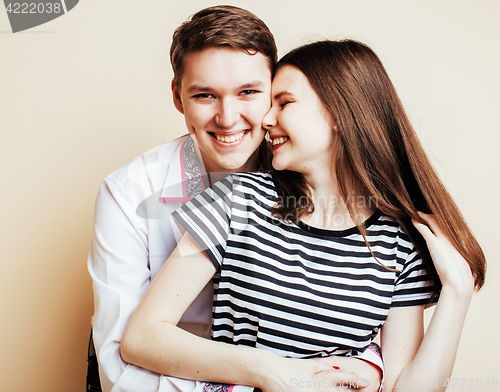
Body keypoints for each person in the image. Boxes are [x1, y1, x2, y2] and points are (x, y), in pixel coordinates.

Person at [120, 39, 486, 392]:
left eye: (284, 103)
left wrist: (458, 294)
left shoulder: (397, 243)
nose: (266, 119)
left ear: (340, 113)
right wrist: (281, 374)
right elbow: (142, 337)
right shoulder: (236, 200)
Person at [87, 6, 382, 392]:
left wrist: (369, 366)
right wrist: (258, 376)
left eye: (248, 93)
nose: (228, 118)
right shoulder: (127, 193)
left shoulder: (313, 175)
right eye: (205, 95)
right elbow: (120, 372)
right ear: (178, 96)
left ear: (276, 93)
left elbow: (353, 308)